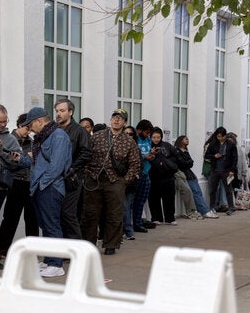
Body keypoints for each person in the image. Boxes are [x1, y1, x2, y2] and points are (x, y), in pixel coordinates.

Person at [81, 108, 141, 255]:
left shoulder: (129, 141)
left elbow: (135, 164)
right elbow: (86, 154)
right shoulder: (97, 136)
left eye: (120, 118)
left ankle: (111, 244)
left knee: (114, 214)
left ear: (125, 122)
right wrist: (86, 173)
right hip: (94, 178)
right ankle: (88, 244)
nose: (116, 120)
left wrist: (124, 181)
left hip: (115, 181)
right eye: (114, 117)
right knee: (90, 213)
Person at [22, 107, 71, 276]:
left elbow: (56, 166)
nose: (29, 128)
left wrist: (42, 182)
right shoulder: (45, 136)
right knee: (46, 226)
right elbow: (40, 163)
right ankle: (50, 260)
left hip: (50, 187)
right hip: (42, 187)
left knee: (52, 226)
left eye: (31, 124)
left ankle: (57, 265)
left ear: (40, 121)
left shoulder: (58, 136)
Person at [0, 104, 26, 270]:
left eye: (5, 121)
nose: (2, 124)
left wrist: (1, 149)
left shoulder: (11, 139)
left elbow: (17, 162)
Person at [0, 114, 38, 257]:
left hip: (30, 182)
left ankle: (33, 249)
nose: (29, 131)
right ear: (19, 125)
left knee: (32, 219)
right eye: (27, 128)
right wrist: (26, 158)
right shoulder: (10, 139)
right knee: (10, 218)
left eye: (31, 129)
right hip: (15, 182)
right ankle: (1, 249)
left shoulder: (32, 142)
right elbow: (8, 160)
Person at [54, 99, 91, 239]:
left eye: (62, 111)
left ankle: (77, 249)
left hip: (73, 178)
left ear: (70, 112)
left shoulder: (79, 130)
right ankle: (64, 248)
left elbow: (86, 153)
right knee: (58, 213)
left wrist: (73, 169)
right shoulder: (54, 129)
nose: (59, 114)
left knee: (68, 213)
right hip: (56, 178)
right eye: (57, 111)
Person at [174, 135, 216, 218]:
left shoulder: (185, 151)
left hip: (190, 174)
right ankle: (205, 211)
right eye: (185, 139)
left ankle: (205, 209)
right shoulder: (177, 151)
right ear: (180, 141)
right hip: (185, 175)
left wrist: (188, 162)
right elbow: (183, 163)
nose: (187, 140)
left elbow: (190, 162)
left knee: (198, 192)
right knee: (195, 193)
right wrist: (188, 162)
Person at [146, 127, 179, 223]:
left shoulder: (167, 146)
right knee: (154, 198)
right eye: (154, 137)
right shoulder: (148, 146)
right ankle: (156, 218)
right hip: (153, 177)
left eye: (158, 137)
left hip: (167, 177)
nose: (156, 139)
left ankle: (170, 218)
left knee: (169, 198)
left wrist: (165, 163)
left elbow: (176, 157)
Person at [204, 127, 237, 214]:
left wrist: (232, 170)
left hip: (226, 170)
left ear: (224, 136)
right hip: (215, 169)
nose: (219, 138)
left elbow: (234, 158)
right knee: (213, 190)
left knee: (228, 190)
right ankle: (212, 207)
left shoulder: (231, 144)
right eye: (218, 136)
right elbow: (206, 155)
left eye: (220, 136)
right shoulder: (213, 144)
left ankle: (231, 207)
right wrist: (214, 156)